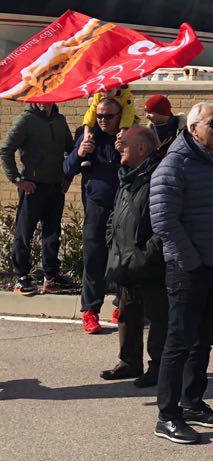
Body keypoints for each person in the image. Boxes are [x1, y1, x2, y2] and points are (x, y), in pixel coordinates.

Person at [150, 102, 213, 445]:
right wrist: (191, 260)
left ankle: (192, 401)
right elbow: (163, 220)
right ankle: (167, 415)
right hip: (190, 269)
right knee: (179, 343)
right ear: (193, 128)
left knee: (204, 340)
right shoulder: (174, 165)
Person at [101, 126, 167, 388]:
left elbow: (164, 223)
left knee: (158, 315)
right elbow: (115, 214)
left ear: (142, 148)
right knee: (127, 311)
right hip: (126, 258)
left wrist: (145, 255)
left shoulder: (157, 176)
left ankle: (159, 366)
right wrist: (112, 241)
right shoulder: (127, 175)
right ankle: (129, 362)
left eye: (125, 144)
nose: (119, 147)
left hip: (147, 261)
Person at [0, 102, 75, 296]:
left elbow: (70, 149)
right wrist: (17, 179)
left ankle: (51, 276)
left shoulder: (60, 121)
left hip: (55, 187)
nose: (43, 101)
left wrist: (67, 177)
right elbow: (6, 149)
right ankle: (21, 276)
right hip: (32, 187)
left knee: (52, 233)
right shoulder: (26, 120)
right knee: (24, 234)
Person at [64, 97, 123, 334]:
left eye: (108, 116)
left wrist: (125, 149)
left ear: (120, 115)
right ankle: (90, 311)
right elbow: (67, 169)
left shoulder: (128, 135)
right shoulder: (88, 136)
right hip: (96, 206)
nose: (103, 120)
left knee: (123, 257)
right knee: (93, 258)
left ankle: (122, 305)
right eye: (99, 116)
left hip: (124, 207)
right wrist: (79, 152)